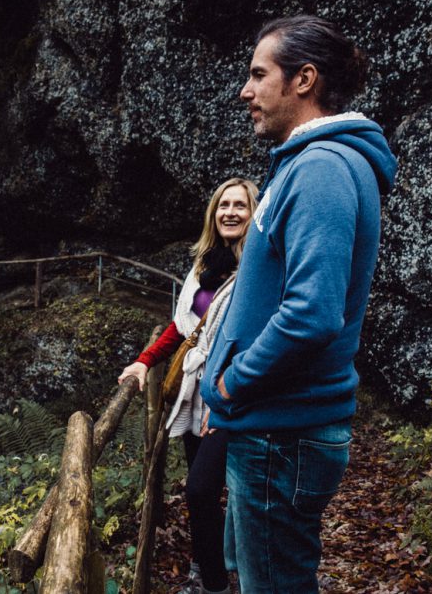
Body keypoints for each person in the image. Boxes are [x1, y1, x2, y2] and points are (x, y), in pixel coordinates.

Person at [201, 15, 398, 593]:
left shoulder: (322, 170)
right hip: (272, 427)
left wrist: (233, 383)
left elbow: (312, 313)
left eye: (259, 75)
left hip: (281, 437)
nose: (246, 91)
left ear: (304, 79)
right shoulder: (304, 165)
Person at [118, 177, 259, 594]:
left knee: (203, 489)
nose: (230, 212)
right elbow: (184, 330)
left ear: (254, 213)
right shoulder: (203, 265)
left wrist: (226, 392)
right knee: (205, 489)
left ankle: (219, 583)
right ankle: (207, 566)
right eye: (223, 205)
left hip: (234, 394)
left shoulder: (259, 268)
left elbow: (253, 337)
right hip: (195, 393)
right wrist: (144, 361)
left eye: (240, 205)